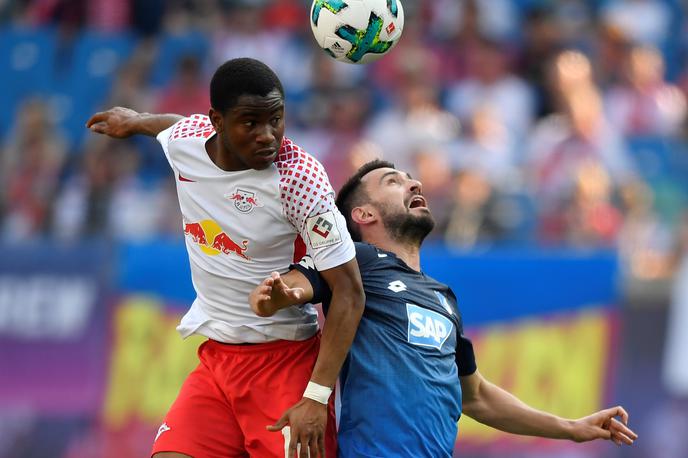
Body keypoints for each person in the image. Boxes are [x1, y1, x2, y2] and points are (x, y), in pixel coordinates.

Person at [249, 159, 639, 457]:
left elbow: (476, 395)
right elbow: (300, 283)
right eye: (392, 181)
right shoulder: (356, 261)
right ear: (364, 215)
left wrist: (571, 427)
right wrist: (283, 293)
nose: (413, 182)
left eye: (409, 178)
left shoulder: (443, 297)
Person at [86, 57, 365, 458]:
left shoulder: (300, 180)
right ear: (217, 121)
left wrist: (316, 397)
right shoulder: (187, 141)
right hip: (217, 362)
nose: (268, 136)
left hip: (284, 363)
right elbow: (171, 126)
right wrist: (134, 120)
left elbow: (351, 293)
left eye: (276, 119)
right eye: (250, 122)